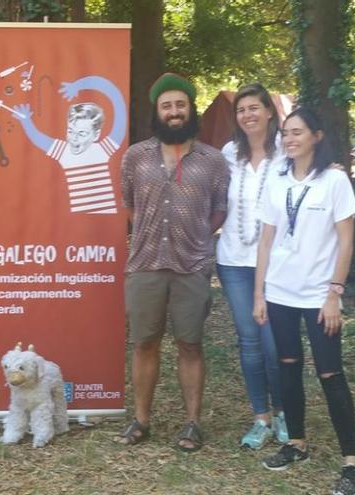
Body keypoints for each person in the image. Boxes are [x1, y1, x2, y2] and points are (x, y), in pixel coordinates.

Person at [115, 72, 230, 452]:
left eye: (181, 104)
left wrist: (193, 237)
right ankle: (142, 419)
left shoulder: (213, 161)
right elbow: (129, 206)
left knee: (190, 345)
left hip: (191, 266)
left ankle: (192, 423)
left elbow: (218, 211)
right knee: (144, 343)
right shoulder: (135, 157)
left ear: (191, 109)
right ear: (157, 111)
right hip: (145, 264)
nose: (174, 111)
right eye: (167, 106)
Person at [252, 108, 355, 495]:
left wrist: (335, 292)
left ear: (316, 135)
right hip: (280, 291)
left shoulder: (334, 180)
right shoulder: (277, 180)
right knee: (288, 367)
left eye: (297, 132)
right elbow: (266, 239)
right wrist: (259, 293)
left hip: (319, 295)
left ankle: (351, 462)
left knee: (330, 374)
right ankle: (296, 442)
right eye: (284, 133)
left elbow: (346, 240)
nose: (289, 138)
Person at [216, 83, 288, 449]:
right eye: (242, 109)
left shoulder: (287, 154)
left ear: (270, 112)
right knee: (249, 341)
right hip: (233, 261)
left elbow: (314, 179)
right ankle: (260, 417)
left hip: (277, 263)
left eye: (254, 108)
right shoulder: (229, 154)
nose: (248, 115)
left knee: (275, 343)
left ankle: (284, 412)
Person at [12, 75, 127, 214]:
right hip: (78, 219)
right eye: (71, 131)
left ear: (96, 135)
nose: (74, 138)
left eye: (82, 133)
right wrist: (26, 121)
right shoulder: (64, 151)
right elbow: (38, 138)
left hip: (104, 221)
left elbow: (117, 102)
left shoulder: (103, 149)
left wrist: (78, 85)